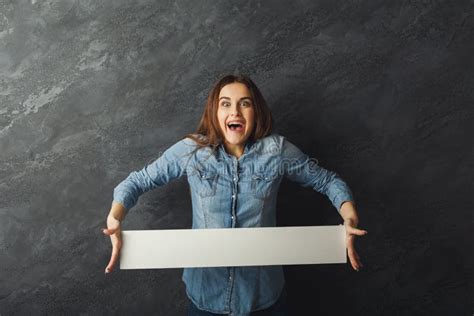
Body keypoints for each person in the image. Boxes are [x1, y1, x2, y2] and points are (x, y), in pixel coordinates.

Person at [102, 74, 368, 315]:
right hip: (206, 298)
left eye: (245, 103)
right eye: (225, 103)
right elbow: (139, 180)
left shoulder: (276, 151)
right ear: (215, 112)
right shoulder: (191, 151)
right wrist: (115, 217)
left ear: (255, 111)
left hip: (263, 298)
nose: (235, 111)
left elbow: (327, 180)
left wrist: (349, 216)